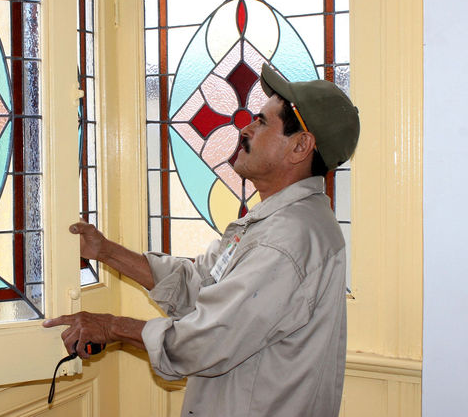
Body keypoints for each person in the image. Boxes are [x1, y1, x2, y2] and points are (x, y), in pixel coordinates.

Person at [43, 63, 360, 417]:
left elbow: (207, 340)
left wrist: (111, 327)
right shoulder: (274, 223)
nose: (245, 128)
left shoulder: (288, 240)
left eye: (261, 122)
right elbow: (200, 285)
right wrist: (104, 251)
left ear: (300, 146)